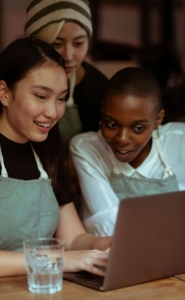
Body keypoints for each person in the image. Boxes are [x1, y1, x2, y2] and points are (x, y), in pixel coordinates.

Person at [0, 36, 111, 278]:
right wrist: (55, 259)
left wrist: (108, 246)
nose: (53, 112)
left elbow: (73, 239)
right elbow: (65, 254)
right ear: (4, 93)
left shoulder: (48, 152)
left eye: (61, 98)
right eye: (41, 96)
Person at [69, 67, 185, 237]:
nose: (122, 139)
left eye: (138, 128)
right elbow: (111, 227)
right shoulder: (87, 147)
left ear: (158, 119)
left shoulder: (180, 140)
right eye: (112, 124)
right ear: (103, 110)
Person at [24, 0, 109, 146]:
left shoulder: (99, 89)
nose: (69, 56)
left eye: (78, 43)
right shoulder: (11, 77)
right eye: (56, 44)